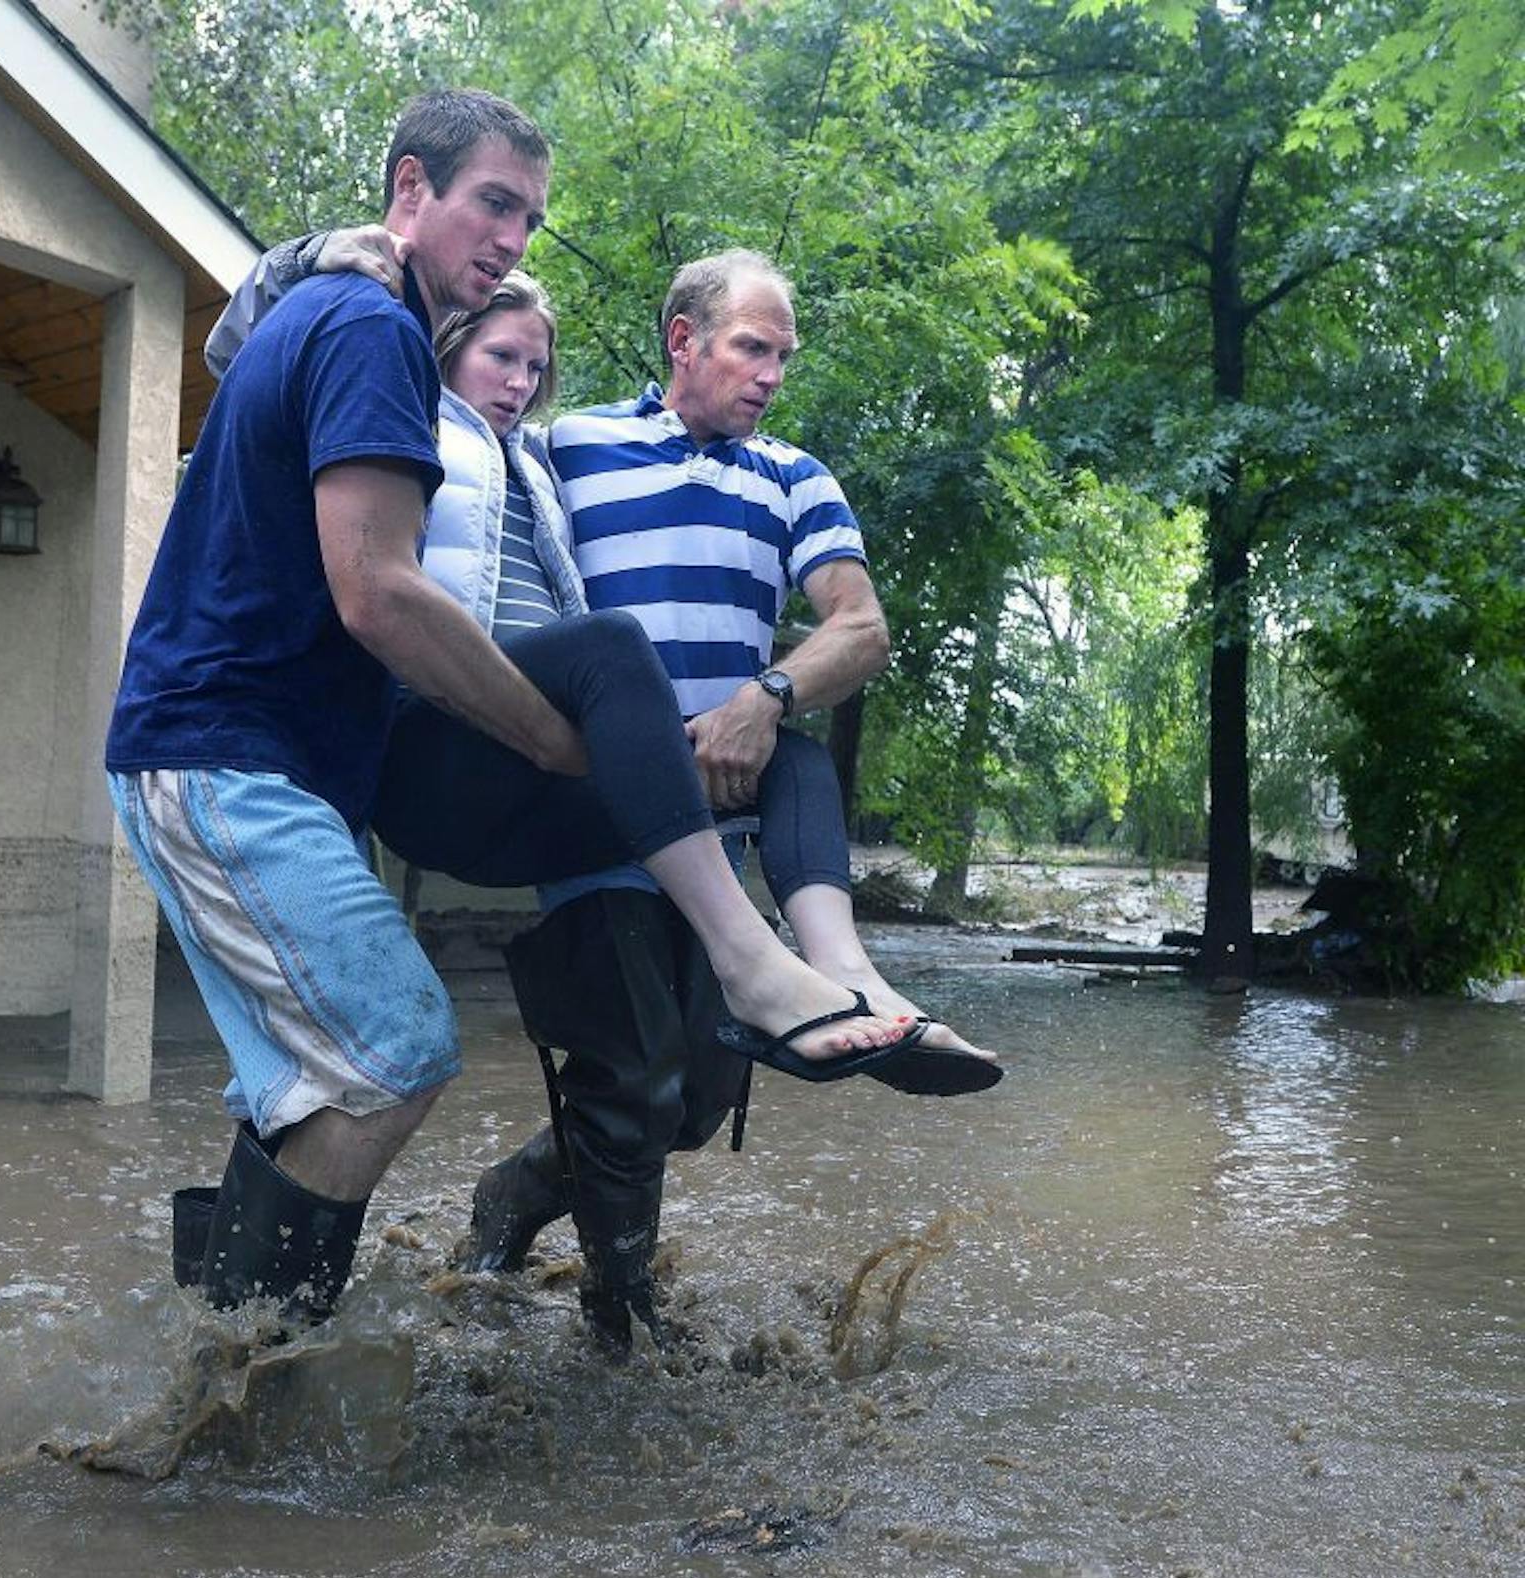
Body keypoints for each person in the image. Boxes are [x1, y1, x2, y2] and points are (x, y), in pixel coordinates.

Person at [111, 94, 915, 1328]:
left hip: (322, 763)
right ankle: (252, 1373)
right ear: (409, 190)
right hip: (226, 750)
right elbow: (379, 590)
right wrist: (549, 738)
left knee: (313, 1079)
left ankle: (214, 1355)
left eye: (531, 219)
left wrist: (713, 718)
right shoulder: (372, 328)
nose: (515, 239)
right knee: (393, 1046)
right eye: (494, 203)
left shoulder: (477, 400)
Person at [211, 239, 1002, 1351]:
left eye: (785, 354)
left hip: (712, 821)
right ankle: (623, 1328)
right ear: (683, 341)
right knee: (629, 1079)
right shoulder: (563, 447)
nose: (773, 372)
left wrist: (765, 698)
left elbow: (860, 628)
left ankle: (523, 1184)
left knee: (694, 1101)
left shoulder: (795, 475)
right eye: (752, 347)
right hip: (589, 821)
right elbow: (445, 489)